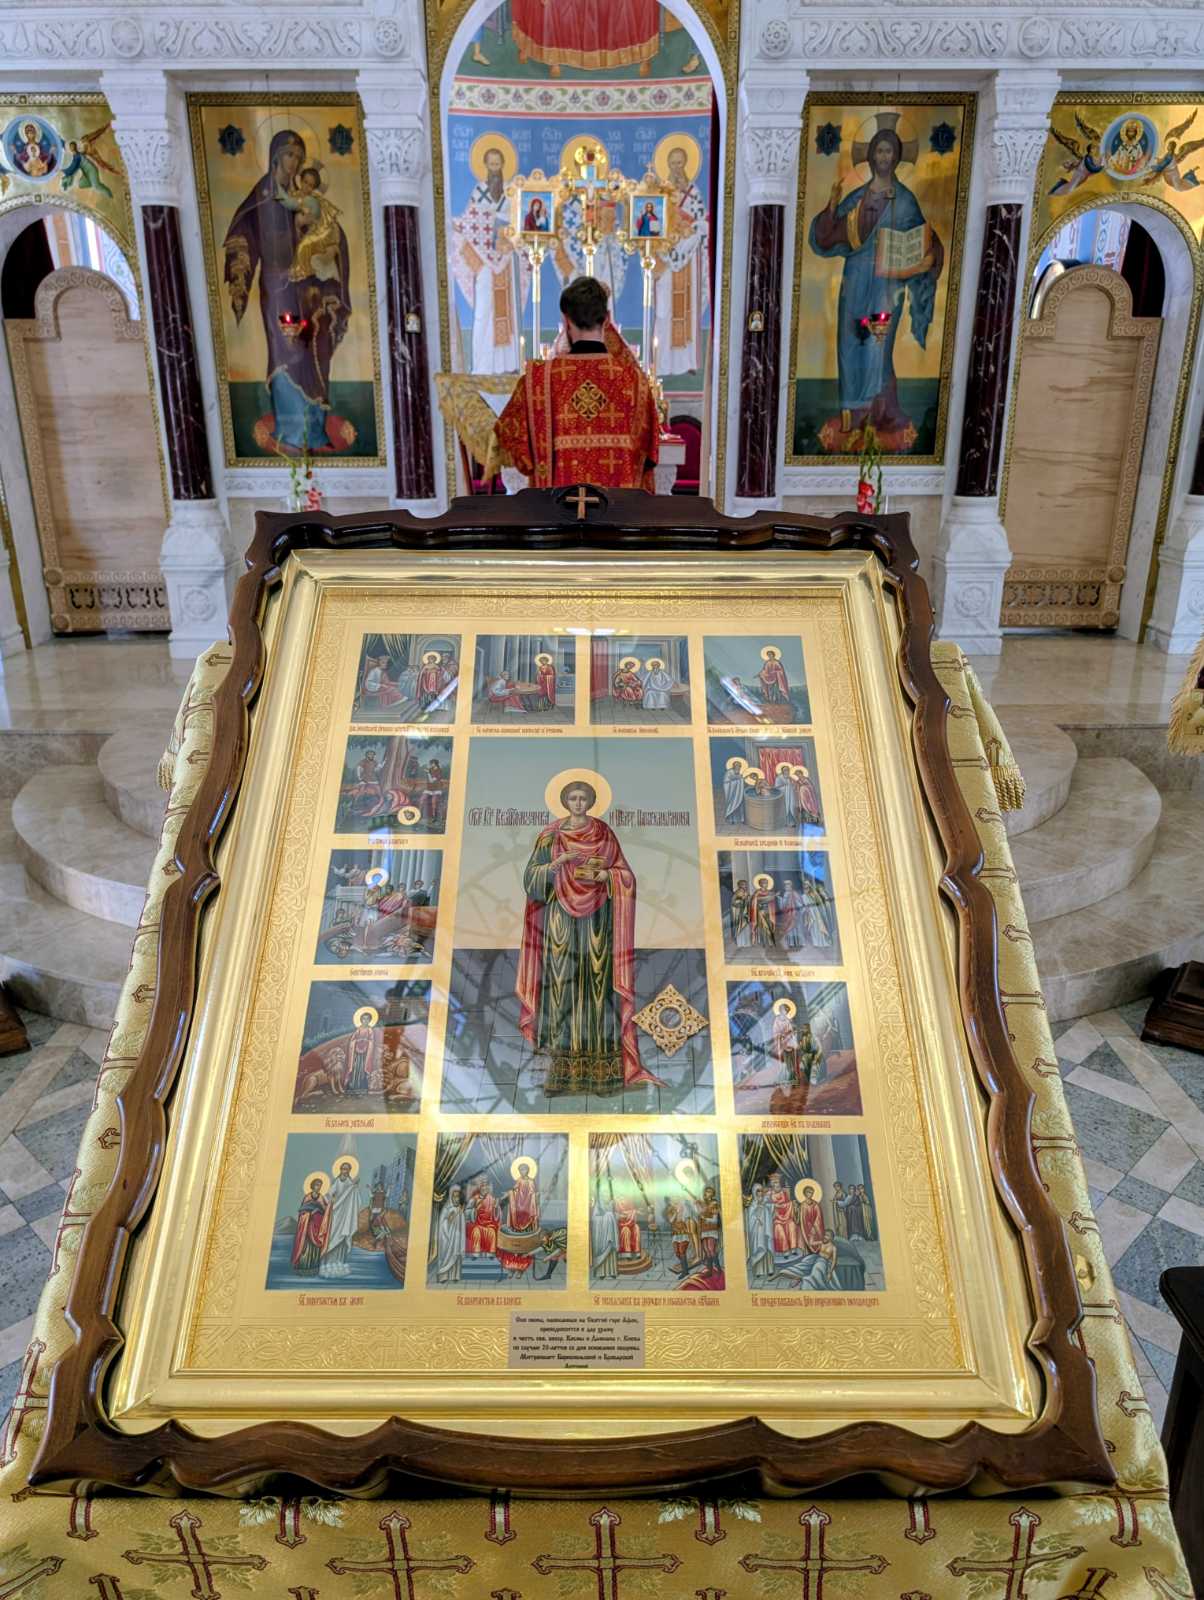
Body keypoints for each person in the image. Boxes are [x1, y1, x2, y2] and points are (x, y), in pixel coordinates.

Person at [518, 778, 663, 1094]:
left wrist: (605, 876)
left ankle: (602, 1074)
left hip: (598, 922)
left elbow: (625, 875)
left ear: (591, 801)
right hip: (559, 920)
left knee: (597, 987)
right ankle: (558, 1075)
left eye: (583, 798)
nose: (578, 803)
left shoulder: (603, 833)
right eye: (573, 798)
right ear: (565, 801)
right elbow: (531, 879)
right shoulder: (551, 835)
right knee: (560, 986)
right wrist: (555, 865)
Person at [809, 124, 943, 445]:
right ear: (870, 156)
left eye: (889, 151)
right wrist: (832, 207)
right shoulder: (857, 198)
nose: (884, 157)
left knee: (877, 346)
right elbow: (826, 236)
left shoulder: (906, 200)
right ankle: (851, 414)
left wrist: (926, 256)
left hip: (886, 284)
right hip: (855, 278)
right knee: (849, 342)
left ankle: (875, 413)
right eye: (879, 151)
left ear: (896, 157)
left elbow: (923, 238)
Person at [223, 129, 353, 453]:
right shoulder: (263, 195)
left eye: (299, 157)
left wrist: (330, 247)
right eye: (289, 155)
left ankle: (314, 432)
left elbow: (330, 230)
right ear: (275, 156)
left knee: (315, 349)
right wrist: (240, 266)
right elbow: (242, 234)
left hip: (309, 289)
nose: (294, 162)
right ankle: (291, 432)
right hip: (278, 289)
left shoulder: (304, 198)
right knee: (286, 351)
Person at [495, 276, 660, 491]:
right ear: (607, 319)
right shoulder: (635, 382)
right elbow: (650, 455)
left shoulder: (538, 381)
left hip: (556, 509)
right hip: (618, 509)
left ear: (566, 321)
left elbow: (511, 438)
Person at [451, 145, 523, 373]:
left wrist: (506, 234)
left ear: (503, 165)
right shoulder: (479, 191)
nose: (494, 168)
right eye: (491, 164)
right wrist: (462, 225)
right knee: (483, 312)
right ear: (485, 166)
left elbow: (518, 224)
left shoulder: (511, 192)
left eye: (497, 164)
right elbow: (470, 224)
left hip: (506, 262)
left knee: (507, 312)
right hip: (484, 264)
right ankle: (483, 366)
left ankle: (508, 364)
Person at [653, 146, 710, 375]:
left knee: (688, 310)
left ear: (685, 164)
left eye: (680, 163)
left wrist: (692, 227)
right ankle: (663, 363)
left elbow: (702, 223)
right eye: (673, 163)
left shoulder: (693, 193)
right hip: (666, 258)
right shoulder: (661, 193)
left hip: (688, 260)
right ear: (667, 165)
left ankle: (686, 362)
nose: (677, 167)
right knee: (665, 310)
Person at [319, 1160, 360, 1278]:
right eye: (343, 1168)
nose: (345, 1171)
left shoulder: (350, 1182)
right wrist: (330, 1199)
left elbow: (355, 1199)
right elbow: (329, 1195)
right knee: (332, 1237)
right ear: (340, 1170)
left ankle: (339, 1263)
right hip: (336, 1214)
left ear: (349, 1171)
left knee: (342, 1238)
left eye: (347, 1169)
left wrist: (355, 1187)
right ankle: (327, 1264)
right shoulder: (337, 1181)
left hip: (346, 1215)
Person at [291, 1177, 330, 1276]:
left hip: (317, 1226)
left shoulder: (321, 1198)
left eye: (320, 1185)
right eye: (317, 1185)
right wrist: (309, 1214)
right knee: (305, 1247)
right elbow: (302, 1212)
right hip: (307, 1228)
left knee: (315, 1249)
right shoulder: (307, 1197)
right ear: (312, 1186)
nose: (318, 1187)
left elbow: (326, 1211)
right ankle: (303, 1268)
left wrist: (321, 1210)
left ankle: (313, 1269)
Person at [435, 1184, 465, 1283]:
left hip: (456, 1238)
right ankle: (443, 1276)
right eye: (454, 1196)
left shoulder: (459, 1208)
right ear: (451, 1197)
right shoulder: (446, 1209)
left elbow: (461, 1225)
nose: (456, 1199)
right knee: (447, 1256)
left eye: (458, 1196)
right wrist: (454, 1215)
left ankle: (455, 1276)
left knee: (456, 1255)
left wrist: (460, 1212)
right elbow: (444, 1223)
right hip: (447, 1239)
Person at [745, 1184, 774, 1282]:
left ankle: (769, 1269)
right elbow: (750, 1217)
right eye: (758, 1191)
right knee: (759, 1247)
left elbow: (770, 1211)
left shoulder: (765, 1202)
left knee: (767, 1247)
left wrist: (765, 1207)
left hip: (765, 1229)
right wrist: (757, 1214)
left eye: (761, 1191)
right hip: (757, 1231)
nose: (760, 1193)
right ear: (754, 1192)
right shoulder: (753, 1204)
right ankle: (758, 1271)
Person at [797, 1182, 825, 1254]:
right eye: (808, 1192)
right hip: (805, 1226)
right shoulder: (803, 1205)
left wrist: (814, 1227)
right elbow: (802, 1218)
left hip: (815, 1227)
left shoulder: (816, 1204)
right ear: (805, 1193)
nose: (810, 1194)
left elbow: (818, 1217)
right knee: (803, 1236)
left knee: (815, 1239)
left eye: (812, 1192)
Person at [722, 760, 746, 828]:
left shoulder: (740, 772)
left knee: (740, 804)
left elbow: (741, 780)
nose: (738, 767)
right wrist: (737, 779)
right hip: (731, 793)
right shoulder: (729, 772)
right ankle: (732, 819)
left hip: (739, 793)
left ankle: (742, 819)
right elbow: (726, 782)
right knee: (732, 804)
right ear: (734, 766)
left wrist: (740, 779)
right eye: (737, 766)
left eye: (739, 766)